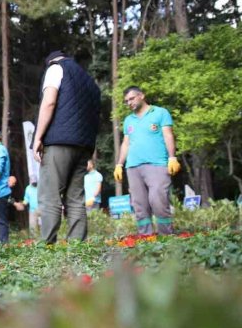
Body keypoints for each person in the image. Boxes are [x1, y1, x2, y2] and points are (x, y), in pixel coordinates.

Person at [31, 50, 101, 244]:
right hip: (84, 145)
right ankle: (77, 245)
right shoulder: (88, 80)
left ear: (50, 61)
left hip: (58, 142)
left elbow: (49, 102)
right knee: (75, 197)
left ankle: (48, 245)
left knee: (49, 194)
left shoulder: (55, 68)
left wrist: (38, 137)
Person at [114, 86, 180, 235]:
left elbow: (168, 135)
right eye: (126, 101)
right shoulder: (128, 120)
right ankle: (146, 237)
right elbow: (126, 143)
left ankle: (166, 237)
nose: (129, 103)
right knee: (139, 204)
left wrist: (172, 157)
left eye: (131, 98)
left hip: (157, 164)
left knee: (158, 200)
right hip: (133, 166)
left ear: (141, 96)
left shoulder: (160, 113)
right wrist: (119, 164)